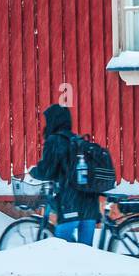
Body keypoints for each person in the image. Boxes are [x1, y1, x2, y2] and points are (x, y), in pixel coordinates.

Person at [31, 103, 99, 245]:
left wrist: (32, 172)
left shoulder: (55, 140)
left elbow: (47, 170)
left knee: (60, 251)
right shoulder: (77, 141)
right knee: (86, 255)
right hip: (90, 205)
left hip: (70, 204)